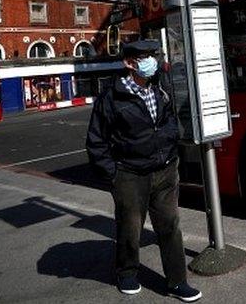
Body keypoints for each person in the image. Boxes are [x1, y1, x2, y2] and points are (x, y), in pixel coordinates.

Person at [86, 39, 201, 301]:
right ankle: (127, 273)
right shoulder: (111, 97)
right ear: (129, 63)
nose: (152, 60)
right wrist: (113, 175)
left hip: (165, 170)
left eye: (153, 54)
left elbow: (169, 119)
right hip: (129, 174)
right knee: (130, 227)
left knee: (170, 226)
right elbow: (96, 140)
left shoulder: (160, 87)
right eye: (144, 56)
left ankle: (177, 281)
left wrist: (172, 152)